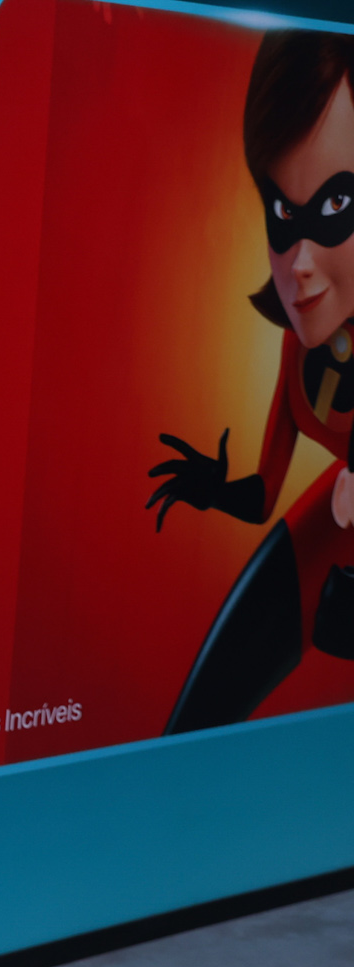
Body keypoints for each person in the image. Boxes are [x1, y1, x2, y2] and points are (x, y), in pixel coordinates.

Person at [145, 31, 354, 730]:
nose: (299, 263)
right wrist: (216, 488)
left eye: (334, 207)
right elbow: (266, 493)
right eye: (284, 213)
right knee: (196, 724)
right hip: (340, 530)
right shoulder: (300, 352)